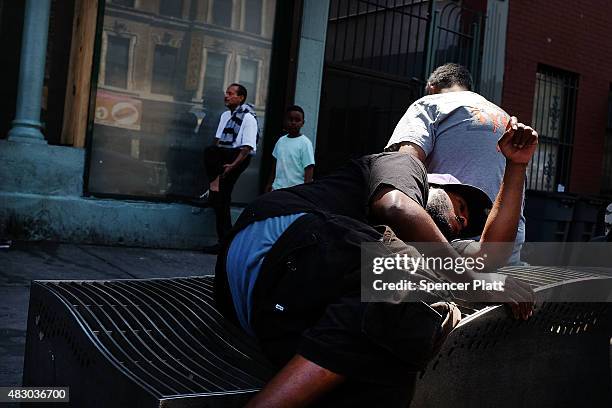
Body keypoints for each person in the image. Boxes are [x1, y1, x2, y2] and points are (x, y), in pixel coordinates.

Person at [214, 118, 537, 407]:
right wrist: (471, 283)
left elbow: (488, 257)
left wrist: (516, 167)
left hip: (254, 303)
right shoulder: (400, 167)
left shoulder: (411, 263)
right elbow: (397, 207)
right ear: (437, 186)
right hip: (280, 232)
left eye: (465, 222)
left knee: (390, 360)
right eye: (461, 204)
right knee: (424, 292)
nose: (462, 219)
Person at [385, 63, 526, 264]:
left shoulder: (429, 104)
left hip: (449, 242)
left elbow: (405, 169)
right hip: (507, 244)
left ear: (432, 88)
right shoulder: (504, 117)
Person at [202, 84, 259, 254]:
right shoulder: (225, 115)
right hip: (224, 155)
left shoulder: (249, 118)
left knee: (222, 198)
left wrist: (231, 167)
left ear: (241, 97)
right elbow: (217, 141)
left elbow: (248, 147)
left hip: (239, 157)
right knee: (222, 199)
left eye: (230, 93)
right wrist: (215, 166)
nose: (226, 96)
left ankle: (225, 242)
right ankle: (225, 242)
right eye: (226, 93)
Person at [265, 105, 315, 192]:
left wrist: (306, 191)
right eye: (290, 119)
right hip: (277, 188)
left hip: (295, 191)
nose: (293, 122)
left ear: (303, 123)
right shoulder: (280, 141)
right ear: (285, 121)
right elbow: (275, 165)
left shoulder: (305, 143)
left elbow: (309, 169)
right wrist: (270, 183)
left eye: (297, 120)